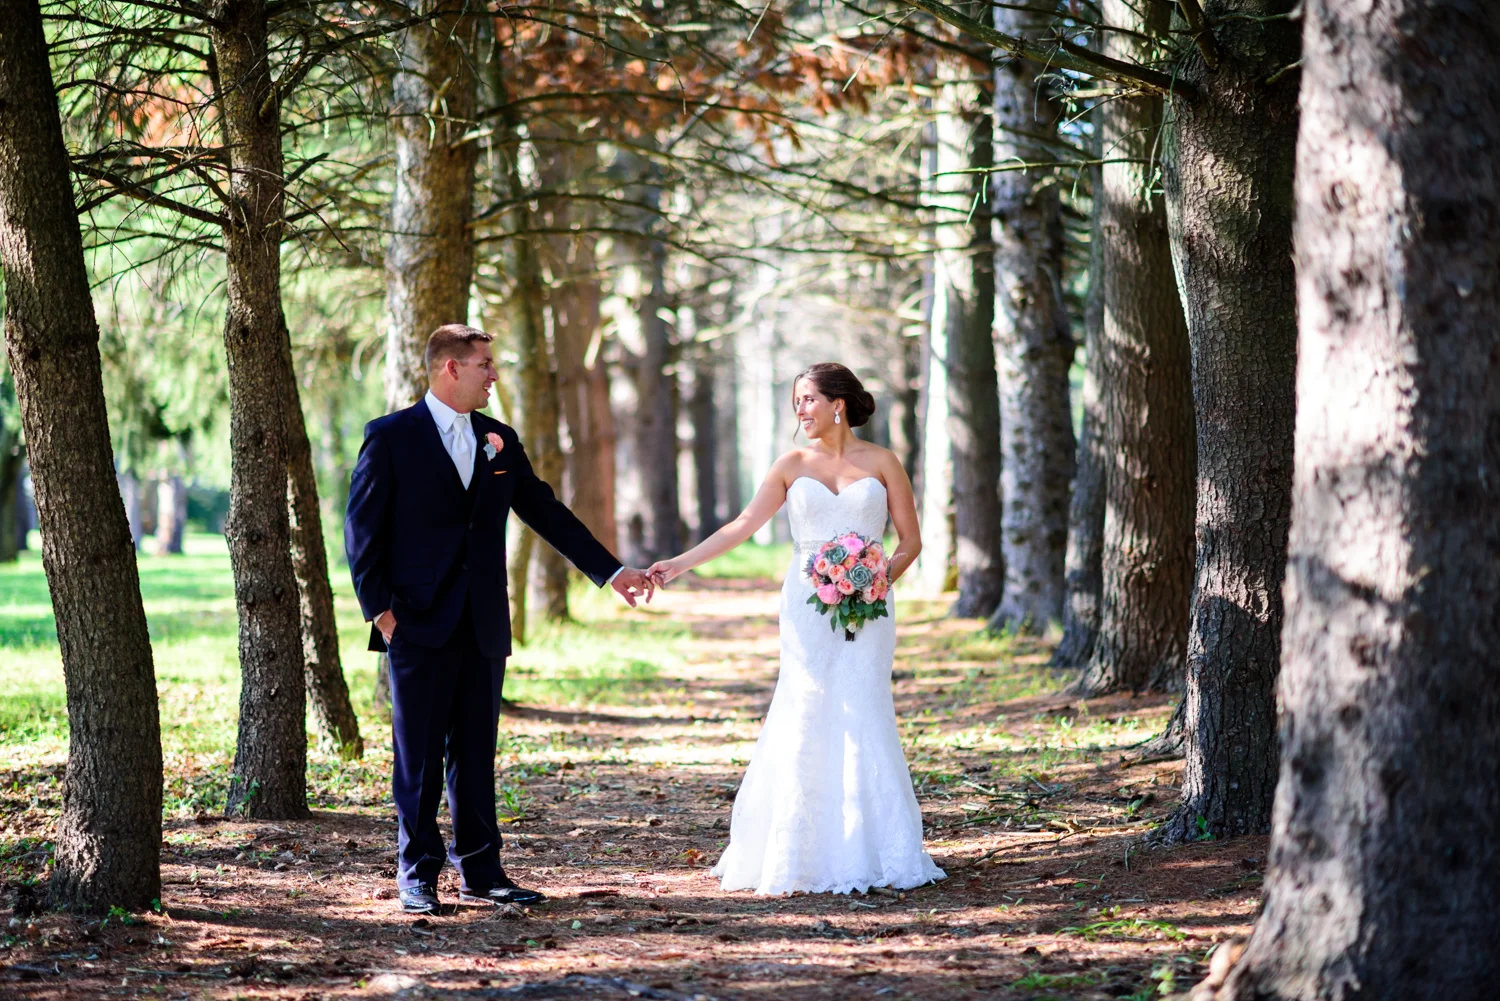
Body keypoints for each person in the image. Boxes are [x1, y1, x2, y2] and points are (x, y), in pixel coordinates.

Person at [345, 323, 656, 914]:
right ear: (450, 369)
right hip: (415, 622)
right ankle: (417, 876)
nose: (493, 375)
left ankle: (482, 872)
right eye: (484, 364)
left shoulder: (499, 439)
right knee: (418, 758)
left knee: (475, 754)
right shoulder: (390, 437)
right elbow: (362, 531)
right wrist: (381, 612)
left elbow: (547, 513)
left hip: (484, 622)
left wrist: (613, 573)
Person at [647, 362, 945, 895]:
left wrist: (876, 581)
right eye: (795, 403)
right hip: (807, 605)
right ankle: (795, 848)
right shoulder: (790, 464)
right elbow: (741, 525)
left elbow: (910, 542)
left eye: (807, 399)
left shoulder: (882, 461)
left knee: (864, 704)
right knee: (806, 703)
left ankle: (873, 845)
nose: (800, 411)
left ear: (839, 403)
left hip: (870, 608)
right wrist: (679, 563)